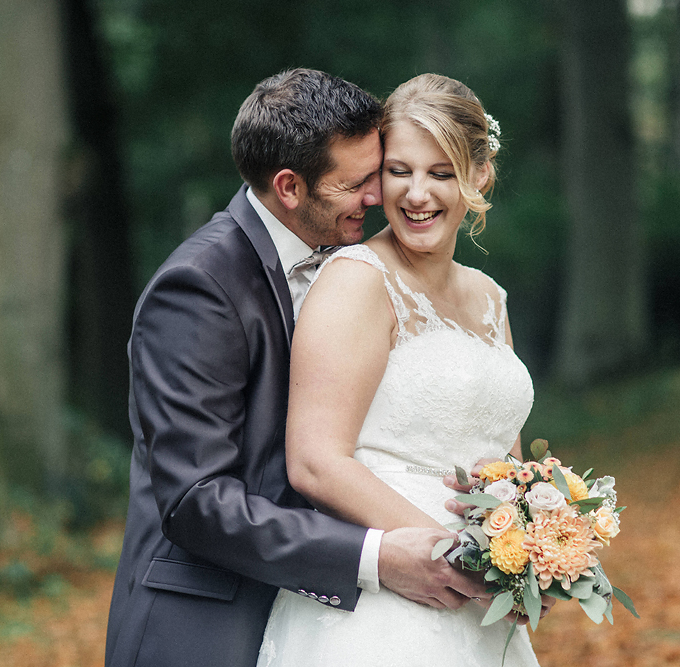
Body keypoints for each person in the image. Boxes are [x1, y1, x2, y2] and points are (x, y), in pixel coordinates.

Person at [104, 69, 491, 667]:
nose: (378, 198)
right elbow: (196, 500)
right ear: (289, 187)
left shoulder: (355, 262)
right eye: (359, 182)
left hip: (331, 615)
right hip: (206, 624)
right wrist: (374, 555)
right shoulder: (199, 286)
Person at [256, 73, 542, 666]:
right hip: (388, 598)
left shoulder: (491, 298)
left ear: (479, 175)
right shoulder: (357, 279)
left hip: (482, 607)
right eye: (399, 171)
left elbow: (501, 455)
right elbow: (314, 461)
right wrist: (458, 556)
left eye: (441, 173)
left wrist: (536, 542)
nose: (417, 194)